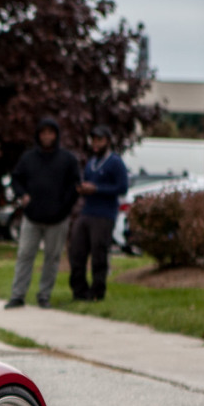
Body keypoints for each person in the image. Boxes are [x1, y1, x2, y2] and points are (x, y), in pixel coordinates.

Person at [6, 117, 81, 309]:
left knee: (52, 258)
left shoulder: (67, 160)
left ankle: (44, 295)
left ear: (56, 135)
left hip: (58, 218)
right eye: (43, 133)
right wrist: (22, 195)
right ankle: (17, 295)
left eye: (51, 133)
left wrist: (64, 208)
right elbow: (16, 179)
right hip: (32, 216)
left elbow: (75, 187)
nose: (47, 137)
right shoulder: (28, 158)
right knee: (24, 254)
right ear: (38, 136)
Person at [69, 125, 129, 302]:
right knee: (77, 252)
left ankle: (97, 292)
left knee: (98, 254)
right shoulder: (91, 162)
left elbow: (122, 187)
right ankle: (79, 292)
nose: (95, 143)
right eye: (94, 140)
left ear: (108, 142)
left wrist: (97, 189)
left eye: (100, 140)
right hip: (87, 211)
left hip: (104, 214)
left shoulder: (115, 162)